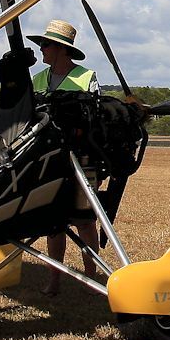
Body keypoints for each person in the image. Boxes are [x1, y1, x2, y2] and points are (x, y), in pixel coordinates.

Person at [27, 19, 101, 294]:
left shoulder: (85, 77)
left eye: (45, 45)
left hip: (83, 158)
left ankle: (93, 280)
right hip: (49, 159)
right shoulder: (37, 80)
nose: (41, 50)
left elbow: (94, 117)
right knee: (53, 223)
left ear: (60, 48)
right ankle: (54, 280)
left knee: (84, 220)